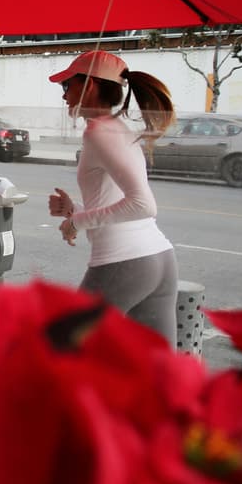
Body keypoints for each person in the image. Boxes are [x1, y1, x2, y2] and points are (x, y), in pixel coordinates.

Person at [46, 50, 179, 343]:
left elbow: (143, 205)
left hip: (124, 263)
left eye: (67, 86)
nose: (64, 96)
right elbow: (120, 202)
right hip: (159, 259)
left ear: (89, 86)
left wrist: (77, 222)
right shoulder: (118, 129)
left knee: (61, 351)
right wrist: (75, 209)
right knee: (157, 374)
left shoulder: (98, 131)